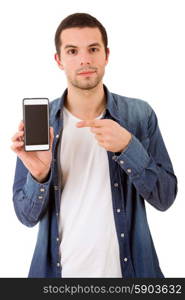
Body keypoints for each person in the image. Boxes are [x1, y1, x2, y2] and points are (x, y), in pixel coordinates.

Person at [11, 12, 177, 278]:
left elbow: (165, 198)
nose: (84, 59)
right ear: (59, 60)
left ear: (106, 55)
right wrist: (39, 176)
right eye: (73, 51)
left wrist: (128, 148)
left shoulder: (139, 115)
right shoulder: (41, 124)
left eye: (93, 49)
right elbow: (25, 217)